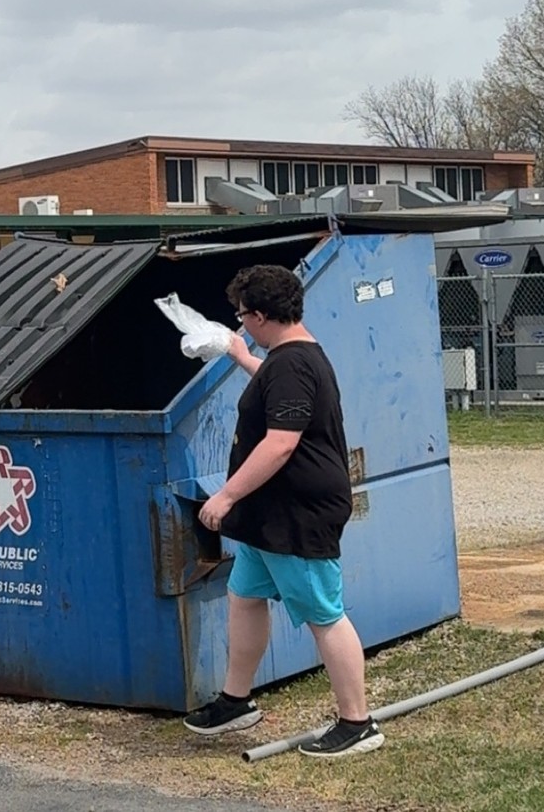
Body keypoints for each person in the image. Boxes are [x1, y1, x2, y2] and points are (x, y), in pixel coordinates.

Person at [181, 264, 384, 759]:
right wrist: (242, 357)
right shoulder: (286, 357)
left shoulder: (293, 363)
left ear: (263, 314)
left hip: (299, 511)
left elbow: (280, 444)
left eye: (242, 316)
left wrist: (226, 495)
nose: (240, 323)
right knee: (245, 595)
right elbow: (278, 394)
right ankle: (236, 701)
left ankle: (358, 722)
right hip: (268, 512)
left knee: (323, 613)